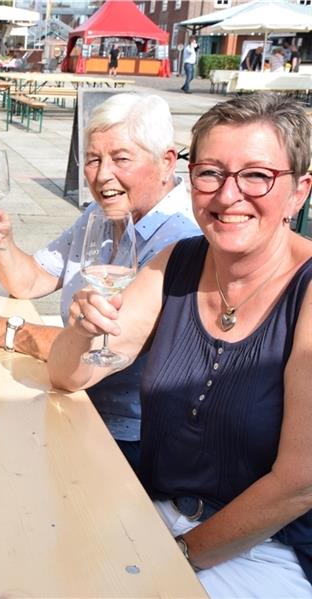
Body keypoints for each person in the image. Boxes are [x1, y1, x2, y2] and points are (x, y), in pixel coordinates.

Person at [50, 93, 312, 597]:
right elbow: (69, 377)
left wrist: (180, 554)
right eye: (210, 172)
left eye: (256, 175)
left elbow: (299, 481)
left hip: (264, 550)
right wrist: (83, 330)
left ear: (299, 192)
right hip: (151, 515)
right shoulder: (177, 263)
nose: (227, 195)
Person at [0, 93, 200, 468]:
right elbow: (29, 283)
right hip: (70, 396)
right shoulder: (101, 214)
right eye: (93, 159)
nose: (101, 174)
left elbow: (95, 349)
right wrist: (1, 242)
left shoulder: (179, 242)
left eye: (120, 158)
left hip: (124, 438)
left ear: (166, 162)